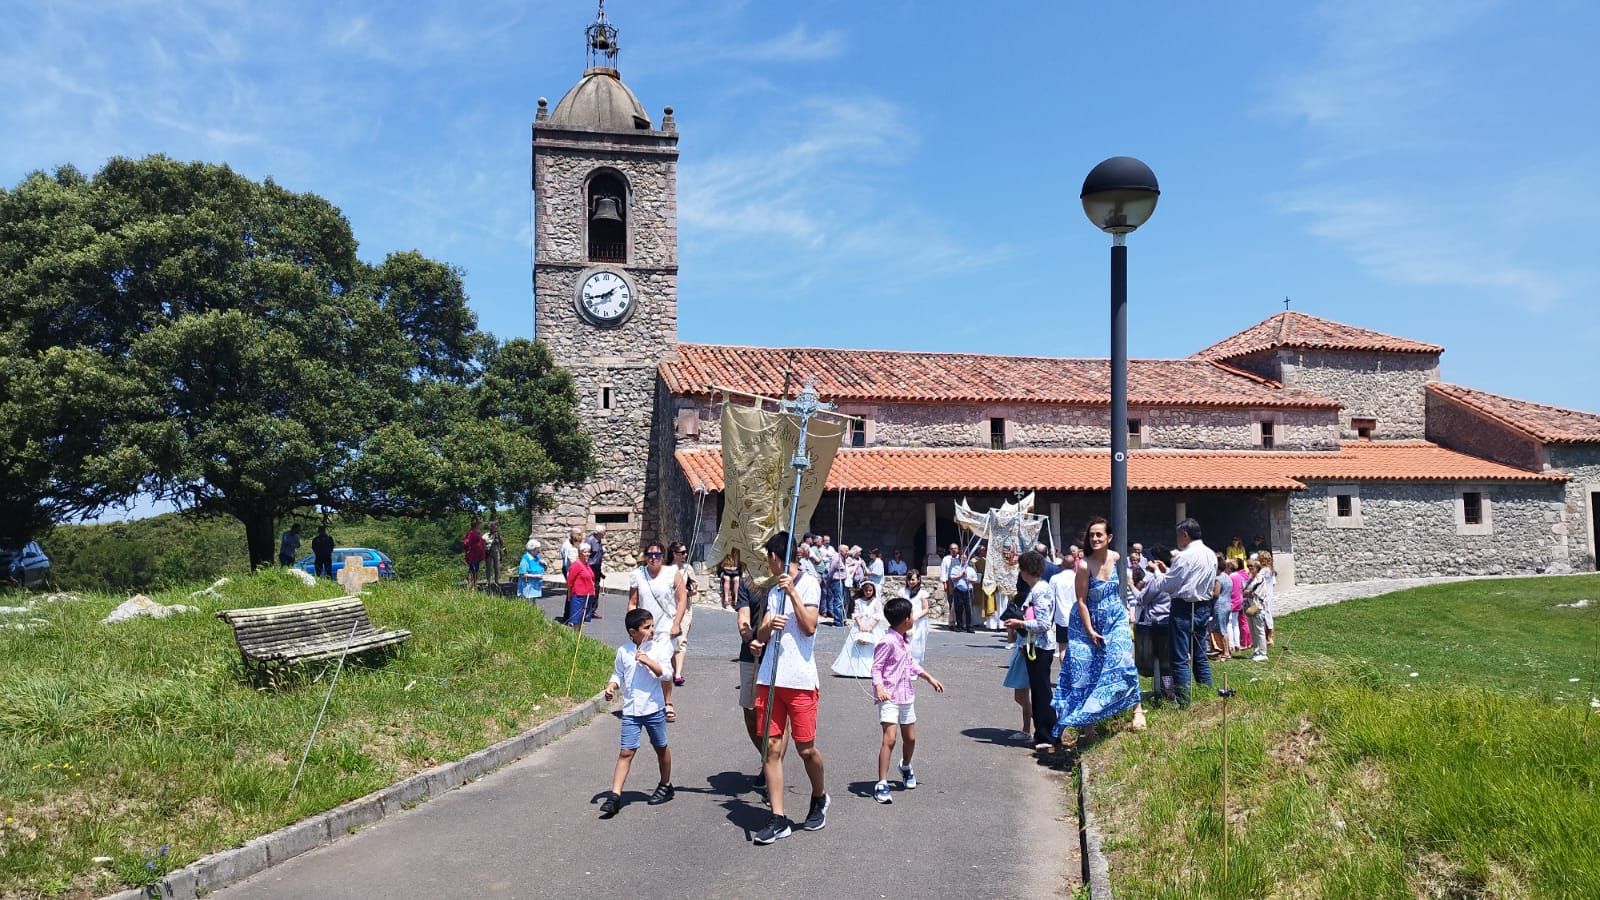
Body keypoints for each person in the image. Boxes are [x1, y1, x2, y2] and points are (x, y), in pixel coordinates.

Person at [751, 531, 828, 844]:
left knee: (805, 748)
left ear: (774, 556)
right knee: (771, 749)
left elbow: (809, 627)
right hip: (770, 678)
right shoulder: (772, 592)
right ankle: (778, 817)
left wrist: (793, 595)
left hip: (799, 680)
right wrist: (770, 626)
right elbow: (762, 631)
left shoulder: (810, 583)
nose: (768, 565)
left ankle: (819, 796)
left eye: (767, 558)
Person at [1052, 517, 1143, 739]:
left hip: (1115, 617)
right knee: (1086, 670)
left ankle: (1137, 710)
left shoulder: (1116, 556)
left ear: (1109, 537)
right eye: (1091, 535)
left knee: (1125, 659)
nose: (1094, 538)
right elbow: (1081, 600)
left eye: (1099, 534)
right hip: (1087, 621)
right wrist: (1090, 630)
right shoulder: (1084, 565)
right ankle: (1087, 725)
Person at [597, 608, 674, 818]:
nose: (652, 630)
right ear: (633, 632)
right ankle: (614, 796)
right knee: (626, 752)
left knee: (660, 747)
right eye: (646, 627)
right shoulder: (624, 651)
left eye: (652, 626)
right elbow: (618, 673)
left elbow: (668, 673)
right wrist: (612, 685)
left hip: (653, 708)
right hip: (630, 710)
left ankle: (666, 784)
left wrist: (649, 661)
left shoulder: (658, 649)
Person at [870, 596, 946, 804]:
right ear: (905, 620)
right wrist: (879, 687)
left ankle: (905, 766)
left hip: (906, 696)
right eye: (911, 615)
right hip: (889, 697)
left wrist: (929, 678)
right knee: (890, 739)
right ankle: (882, 783)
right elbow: (876, 668)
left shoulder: (904, 640)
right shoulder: (887, 641)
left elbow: (910, 664)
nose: (913, 618)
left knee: (910, 738)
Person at [1141, 518, 1215, 707]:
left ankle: (1183, 701)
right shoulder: (1210, 554)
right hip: (1203, 605)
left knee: (1179, 657)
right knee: (1200, 653)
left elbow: (1168, 585)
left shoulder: (1184, 556)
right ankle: (1208, 694)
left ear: (1185, 535)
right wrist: (1168, 572)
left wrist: (1158, 572)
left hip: (1184, 607)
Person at [1004, 550, 1059, 751]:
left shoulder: (1039, 590)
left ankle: (1047, 733)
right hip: (1034, 645)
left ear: (1026, 570)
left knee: (1042, 692)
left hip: (1040, 646)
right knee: (1038, 691)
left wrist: (1020, 623)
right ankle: (1042, 732)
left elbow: (1043, 623)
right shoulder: (1038, 588)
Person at [629, 542, 686, 721]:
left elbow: (682, 598)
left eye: (658, 555)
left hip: (665, 629)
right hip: (645, 629)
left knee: (664, 666)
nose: (654, 558)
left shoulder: (672, 573)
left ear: (663, 556)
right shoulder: (637, 575)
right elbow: (632, 602)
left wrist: (676, 624)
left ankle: (668, 702)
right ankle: (650, 702)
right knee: (646, 664)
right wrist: (632, 628)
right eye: (650, 555)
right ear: (645, 556)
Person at [734, 577, 769, 790]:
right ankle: (767, 761)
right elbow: (743, 618)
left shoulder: (783, 581)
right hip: (751, 654)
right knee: (750, 713)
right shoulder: (748, 582)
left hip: (778, 656)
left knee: (775, 718)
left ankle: (773, 769)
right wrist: (750, 640)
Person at [831, 581, 885, 677]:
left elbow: (878, 615)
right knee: (858, 645)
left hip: (873, 626)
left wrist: (870, 626)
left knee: (873, 647)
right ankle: (855, 669)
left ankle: (872, 669)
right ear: (862, 591)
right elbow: (856, 614)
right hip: (860, 625)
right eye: (866, 590)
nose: (868, 592)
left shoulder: (876, 602)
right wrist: (860, 625)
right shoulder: (859, 601)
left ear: (873, 591)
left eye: (870, 590)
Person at [668, 541, 695, 687]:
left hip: (685, 609)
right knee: (671, 641)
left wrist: (688, 592)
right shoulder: (665, 569)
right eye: (682, 552)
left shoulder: (687, 569)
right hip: (668, 609)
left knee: (681, 640)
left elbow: (696, 588)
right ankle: (672, 670)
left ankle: (678, 674)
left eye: (685, 552)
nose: (685, 555)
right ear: (674, 554)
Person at [898, 570, 933, 666]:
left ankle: (914, 666)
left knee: (916, 644)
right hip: (905, 621)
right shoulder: (902, 592)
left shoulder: (922, 593)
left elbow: (926, 609)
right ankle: (903, 665)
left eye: (913, 579)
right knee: (904, 643)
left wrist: (915, 617)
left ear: (918, 580)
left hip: (918, 622)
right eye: (909, 579)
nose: (911, 582)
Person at [565, 544, 597, 627]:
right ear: (579, 552)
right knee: (576, 620)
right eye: (585, 552)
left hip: (588, 595)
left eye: (588, 552)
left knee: (582, 620)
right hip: (579, 596)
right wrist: (569, 594)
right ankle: (575, 639)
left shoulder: (586, 564)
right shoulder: (576, 565)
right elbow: (570, 581)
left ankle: (579, 638)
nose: (587, 554)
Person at [947, 551, 976, 633]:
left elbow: (975, 580)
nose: (964, 560)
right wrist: (961, 575)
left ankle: (969, 627)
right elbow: (953, 579)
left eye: (965, 559)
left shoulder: (970, 569)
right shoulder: (955, 568)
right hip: (958, 591)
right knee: (958, 609)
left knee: (968, 609)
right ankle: (959, 626)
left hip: (968, 591)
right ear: (959, 560)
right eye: (962, 558)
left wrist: (968, 578)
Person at [584, 526, 607, 619]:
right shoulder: (590, 541)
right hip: (590, 567)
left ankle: (592, 610)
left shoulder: (599, 541)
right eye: (604, 532)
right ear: (599, 533)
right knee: (590, 589)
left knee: (596, 589)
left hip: (597, 568)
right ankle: (586, 610)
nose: (605, 533)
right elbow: (586, 556)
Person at [463, 519, 486, 591]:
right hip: (472, 555)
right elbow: (466, 543)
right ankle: (470, 586)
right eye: (479, 524)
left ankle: (474, 586)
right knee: (473, 571)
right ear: (476, 525)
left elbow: (481, 542)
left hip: (477, 555)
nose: (480, 526)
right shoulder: (471, 533)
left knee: (476, 570)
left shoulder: (478, 533)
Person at [483, 521, 504, 590]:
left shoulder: (497, 535)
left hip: (496, 553)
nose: (495, 528)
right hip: (488, 553)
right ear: (490, 527)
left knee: (497, 568)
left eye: (495, 527)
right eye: (493, 526)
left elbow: (502, 544)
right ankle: (488, 582)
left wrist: (503, 551)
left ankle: (496, 582)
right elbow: (482, 543)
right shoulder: (485, 535)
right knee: (488, 568)